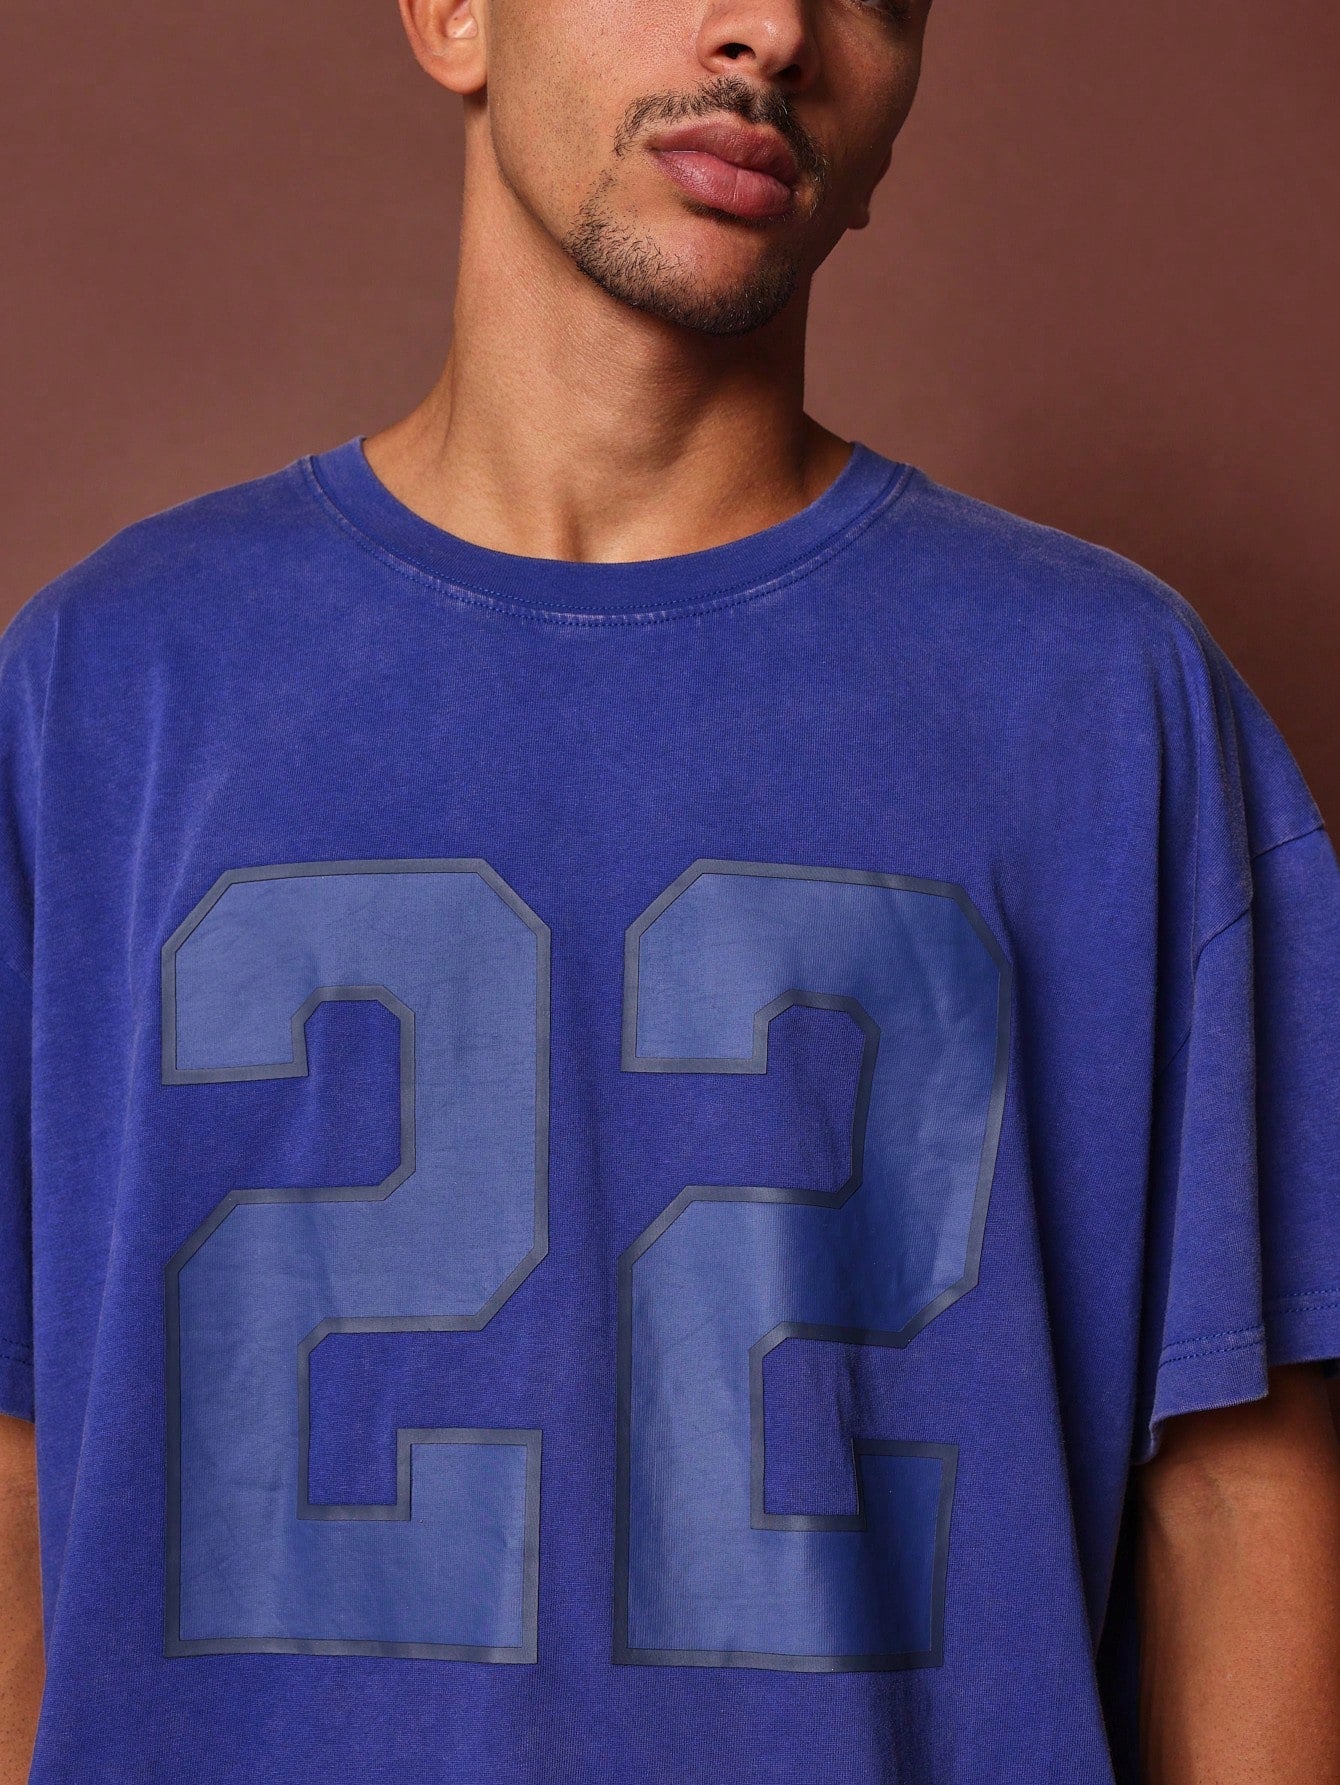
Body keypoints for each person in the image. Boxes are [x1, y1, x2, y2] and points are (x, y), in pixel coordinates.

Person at [1, 0, 1338, 1778]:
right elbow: (19, 1477)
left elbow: (1233, 1506)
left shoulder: (1110, 706)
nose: (772, 29)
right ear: (453, 14)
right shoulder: (108, 691)